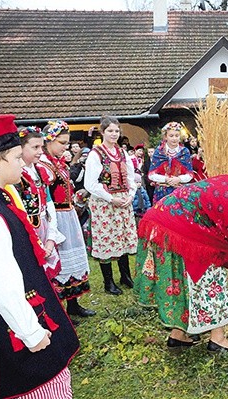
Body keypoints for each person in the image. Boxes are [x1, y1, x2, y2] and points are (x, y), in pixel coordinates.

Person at [0, 114, 79, 399]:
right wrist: (32, 333)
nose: (23, 161)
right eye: (17, 156)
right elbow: (0, 284)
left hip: (23, 313)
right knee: (34, 386)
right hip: (14, 327)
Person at [134, 171, 228, 351]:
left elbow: (220, 232)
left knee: (181, 284)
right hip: (175, 230)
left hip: (160, 222)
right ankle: (218, 338)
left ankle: (178, 335)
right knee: (212, 278)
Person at [39, 120, 94, 318]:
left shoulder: (58, 162)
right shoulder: (43, 165)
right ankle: (60, 309)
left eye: (67, 143)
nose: (66, 147)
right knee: (60, 261)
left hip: (68, 214)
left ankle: (73, 304)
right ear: (49, 141)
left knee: (73, 260)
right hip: (55, 217)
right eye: (62, 143)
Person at [84, 115, 138, 295]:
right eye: (110, 131)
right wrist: (110, 198)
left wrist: (130, 195)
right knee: (106, 239)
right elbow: (90, 184)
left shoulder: (123, 153)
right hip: (104, 202)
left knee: (122, 237)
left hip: (123, 200)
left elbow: (131, 177)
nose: (114, 134)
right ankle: (109, 282)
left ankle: (125, 275)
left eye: (116, 131)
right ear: (103, 132)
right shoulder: (95, 154)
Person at [14, 126, 66, 281]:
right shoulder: (16, 176)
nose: (40, 151)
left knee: (49, 277)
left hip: (45, 227)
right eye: (35, 147)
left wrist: (51, 238)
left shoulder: (39, 171)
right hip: (28, 232)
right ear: (20, 148)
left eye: (41, 147)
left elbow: (49, 204)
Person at [148, 121, 194, 202]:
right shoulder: (159, 152)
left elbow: (190, 175)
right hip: (162, 193)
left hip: (179, 192)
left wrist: (179, 179)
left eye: (177, 136)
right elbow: (151, 175)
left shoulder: (184, 152)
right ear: (165, 137)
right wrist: (166, 179)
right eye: (171, 136)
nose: (174, 138)